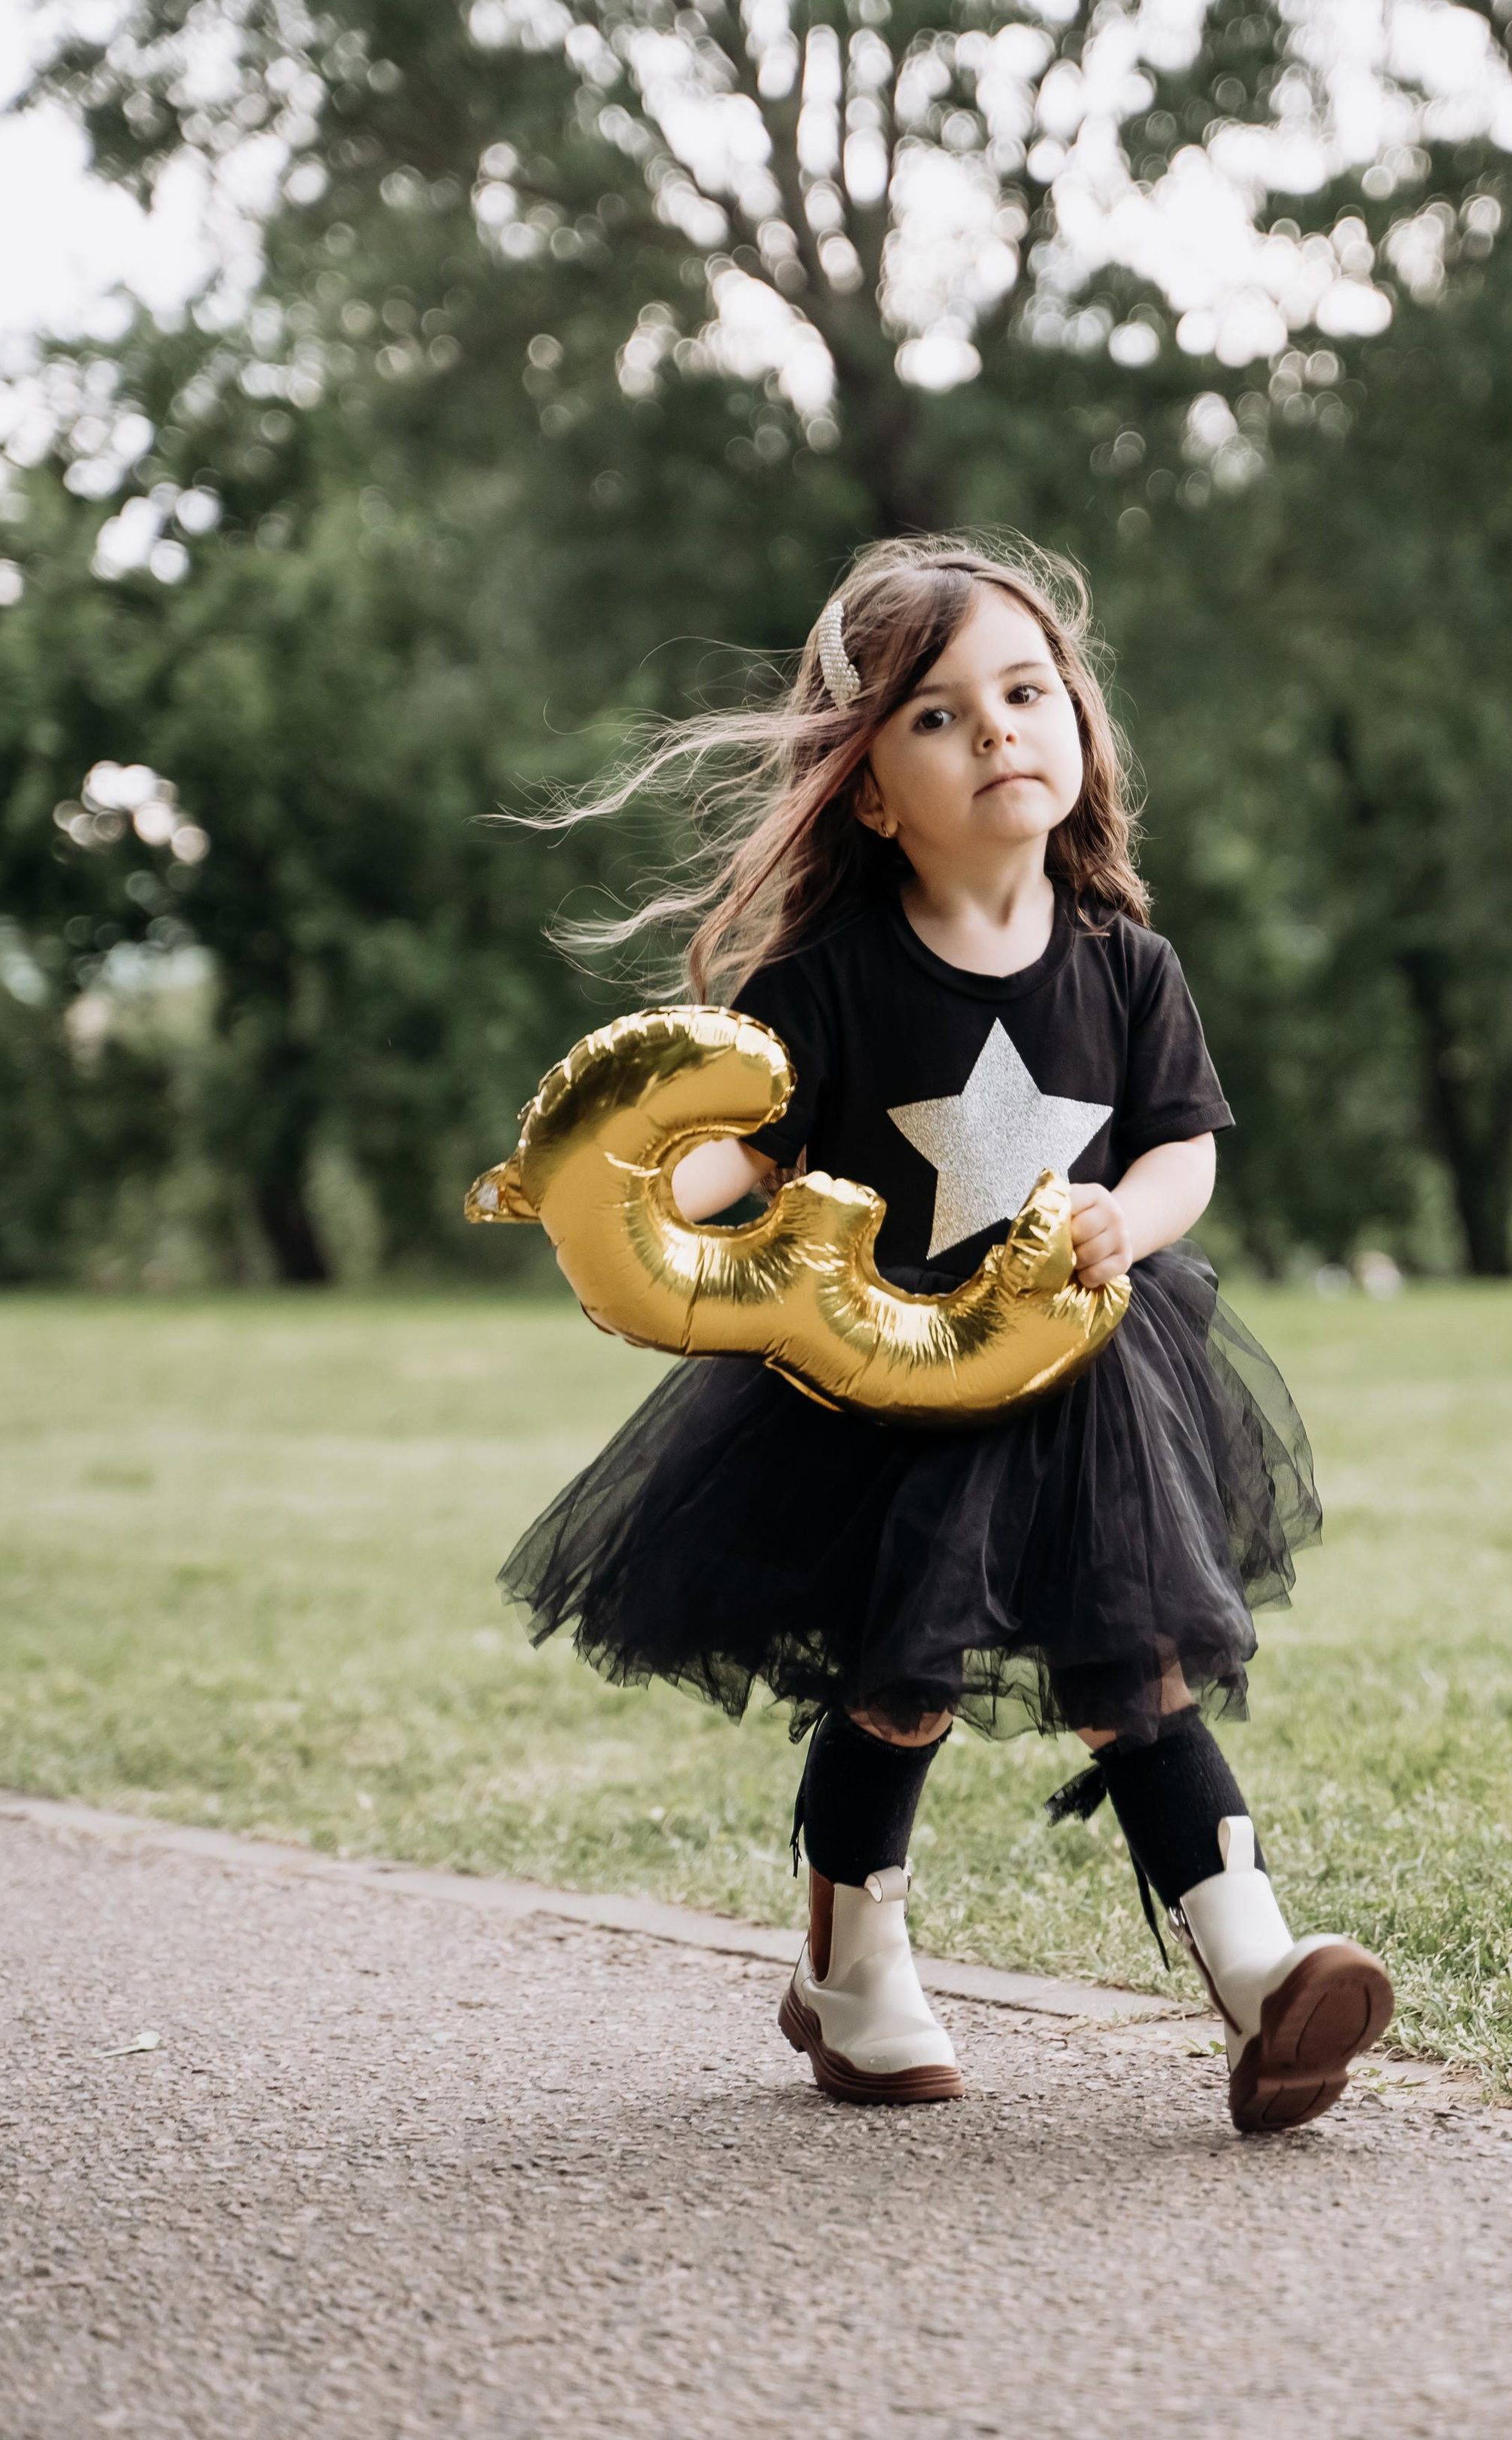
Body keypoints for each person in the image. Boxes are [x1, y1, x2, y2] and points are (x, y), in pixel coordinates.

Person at [501, 536, 1392, 2132]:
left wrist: (1139, 1215)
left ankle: (1263, 1981)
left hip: (1092, 1386)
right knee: (896, 1689)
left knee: (1140, 1675)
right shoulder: (827, 980)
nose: (996, 731)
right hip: (883, 1397)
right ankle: (852, 1976)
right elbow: (737, 1144)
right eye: (936, 715)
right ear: (863, 789)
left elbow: (1183, 1142)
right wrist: (650, 1194)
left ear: (1078, 728)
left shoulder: (1126, 962)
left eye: (1025, 692)